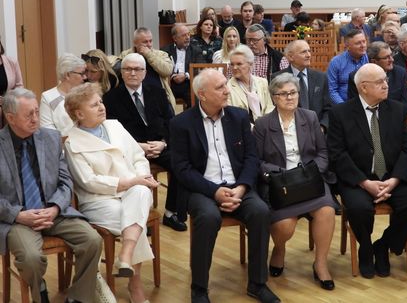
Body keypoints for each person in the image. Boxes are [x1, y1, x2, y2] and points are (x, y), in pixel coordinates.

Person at [169, 69, 281, 303]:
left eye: (225, 85)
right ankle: (199, 288)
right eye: (220, 87)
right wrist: (215, 192)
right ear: (202, 94)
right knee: (208, 217)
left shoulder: (238, 117)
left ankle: (257, 284)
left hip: (238, 185)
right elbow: (182, 169)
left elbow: (251, 157)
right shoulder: (181, 123)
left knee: (260, 212)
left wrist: (242, 187)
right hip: (203, 189)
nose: (227, 90)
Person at [0, 87, 102, 303]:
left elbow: (65, 182)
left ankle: (78, 297)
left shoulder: (51, 138)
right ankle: (40, 291)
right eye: (29, 114)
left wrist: (55, 208)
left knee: (92, 240)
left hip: (54, 211)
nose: (36, 119)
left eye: (37, 111)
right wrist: (18, 215)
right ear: (10, 118)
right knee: (31, 258)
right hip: (18, 218)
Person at [327, 63, 407, 279]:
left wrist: (395, 179)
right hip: (358, 179)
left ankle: (383, 245)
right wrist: (364, 183)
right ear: (363, 87)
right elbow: (337, 154)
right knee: (359, 208)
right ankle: (366, 248)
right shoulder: (340, 113)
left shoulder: (397, 109)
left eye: (385, 80)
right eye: (380, 82)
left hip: (391, 177)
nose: (386, 85)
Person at [64, 83, 157, 303]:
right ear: (79, 114)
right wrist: (130, 181)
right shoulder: (72, 142)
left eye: (101, 102)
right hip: (99, 200)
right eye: (94, 105)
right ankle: (135, 285)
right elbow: (89, 181)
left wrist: (141, 178)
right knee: (135, 222)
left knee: (141, 193)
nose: (101, 107)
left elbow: (138, 157)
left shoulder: (115, 125)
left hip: (133, 191)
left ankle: (125, 255)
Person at [253, 73, 336, 290]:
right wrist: (280, 175)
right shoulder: (263, 124)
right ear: (274, 98)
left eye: (293, 93)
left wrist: (311, 172)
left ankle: (320, 263)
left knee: (326, 211)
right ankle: (279, 248)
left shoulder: (310, 117)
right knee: (284, 226)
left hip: (310, 180)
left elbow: (323, 152)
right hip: (280, 183)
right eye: (283, 94)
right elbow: (257, 161)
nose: (290, 97)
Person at [103, 53, 187, 231]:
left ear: (145, 72)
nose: (133, 73)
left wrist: (164, 143)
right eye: (128, 69)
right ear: (122, 72)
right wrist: (137, 146)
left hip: (159, 146)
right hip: (130, 150)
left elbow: (171, 122)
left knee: (181, 163)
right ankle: (141, 217)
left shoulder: (157, 92)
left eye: (137, 69)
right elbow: (111, 131)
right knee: (133, 172)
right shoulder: (110, 98)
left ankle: (171, 213)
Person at [272, 40, 331, 131]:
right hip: (289, 130)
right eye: (303, 52)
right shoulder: (277, 78)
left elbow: (328, 108)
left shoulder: (321, 77)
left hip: (317, 130)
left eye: (309, 51)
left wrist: (322, 127)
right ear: (291, 57)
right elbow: (275, 107)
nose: (308, 55)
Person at [119, 27, 176, 109]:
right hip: (133, 97)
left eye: (150, 41)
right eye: (145, 42)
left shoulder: (161, 54)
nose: (149, 45)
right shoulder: (126, 55)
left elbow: (167, 71)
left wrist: (149, 55)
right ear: (135, 43)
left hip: (159, 98)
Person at [347, 41, 407, 113]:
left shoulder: (400, 73)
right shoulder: (356, 77)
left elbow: (405, 105)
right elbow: (354, 106)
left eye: (391, 55)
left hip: (394, 115)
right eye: (386, 58)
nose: (392, 60)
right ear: (374, 61)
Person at [40, 53, 87, 137]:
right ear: (67, 75)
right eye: (82, 73)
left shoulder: (87, 95)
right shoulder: (48, 97)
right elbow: (48, 133)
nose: (85, 77)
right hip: (61, 144)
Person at [227, 46, 274, 124]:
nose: (234, 67)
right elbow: (233, 117)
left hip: (265, 126)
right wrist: (255, 128)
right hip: (243, 128)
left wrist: (265, 125)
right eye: (232, 64)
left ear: (251, 64)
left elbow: (269, 108)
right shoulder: (227, 88)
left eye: (239, 64)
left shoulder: (262, 82)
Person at [161, 23, 199, 107]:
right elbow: (162, 67)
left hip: (189, 84)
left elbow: (199, 67)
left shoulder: (195, 50)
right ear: (175, 38)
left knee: (196, 102)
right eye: (184, 35)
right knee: (162, 100)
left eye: (188, 34)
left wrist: (186, 75)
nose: (187, 37)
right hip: (170, 83)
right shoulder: (165, 50)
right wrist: (173, 75)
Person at [327, 30, 369, 104]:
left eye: (364, 41)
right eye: (358, 43)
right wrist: (344, 107)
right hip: (344, 103)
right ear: (348, 46)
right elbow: (332, 90)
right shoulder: (336, 62)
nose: (363, 45)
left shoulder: (370, 59)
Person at [0, 39, 23, 128]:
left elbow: (19, 85)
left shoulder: (12, 62)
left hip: (9, 101)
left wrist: (8, 99)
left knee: (13, 111)